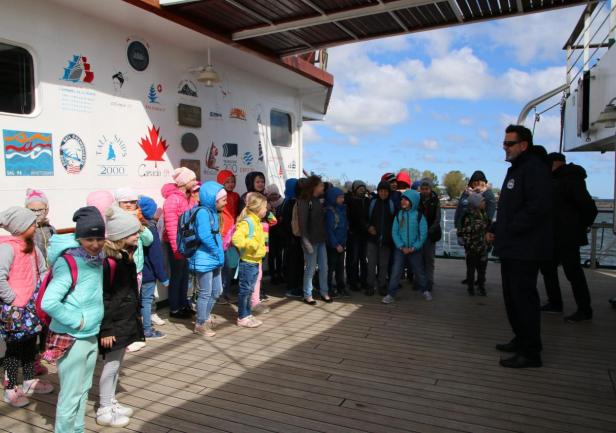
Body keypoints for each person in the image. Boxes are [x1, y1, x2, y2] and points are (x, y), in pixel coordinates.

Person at [489, 124, 553, 369]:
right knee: (512, 297)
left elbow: (538, 207)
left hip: (525, 248)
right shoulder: (517, 169)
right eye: (504, 143)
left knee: (523, 299)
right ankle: (521, 339)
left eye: (509, 143)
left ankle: (531, 351)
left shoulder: (534, 169)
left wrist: (511, 228)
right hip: (512, 246)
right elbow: (508, 208)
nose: (504, 147)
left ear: (523, 145)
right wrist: (496, 228)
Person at [42, 206, 106, 431]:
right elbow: (49, 302)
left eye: (100, 238)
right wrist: (77, 321)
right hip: (72, 336)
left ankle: (77, 428)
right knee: (70, 394)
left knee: (83, 389)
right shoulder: (68, 262)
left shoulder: (97, 258)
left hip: (90, 333)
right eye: (89, 239)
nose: (95, 244)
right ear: (79, 238)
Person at [0, 207, 53, 407]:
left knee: (31, 343)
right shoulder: (7, 249)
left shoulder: (32, 246)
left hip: (31, 307)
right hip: (14, 309)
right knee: (14, 348)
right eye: (31, 223)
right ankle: (10, 387)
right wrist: (13, 298)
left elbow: (42, 270)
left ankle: (29, 381)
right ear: (20, 227)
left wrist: (41, 292)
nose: (35, 225)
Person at [96, 207, 144, 427]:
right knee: (112, 365)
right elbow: (104, 298)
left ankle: (111, 401)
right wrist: (106, 329)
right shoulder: (110, 263)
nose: (138, 235)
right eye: (134, 232)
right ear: (121, 236)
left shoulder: (125, 257)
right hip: (114, 324)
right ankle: (104, 408)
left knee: (117, 364)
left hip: (125, 320)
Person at [541, 152, 598, 322]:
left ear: (555, 163)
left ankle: (584, 309)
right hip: (554, 234)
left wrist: (579, 226)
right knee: (548, 268)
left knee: (573, 272)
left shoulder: (571, 180)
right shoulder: (558, 181)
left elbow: (589, 207)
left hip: (567, 236)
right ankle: (555, 303)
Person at [188, 181, 226, 337]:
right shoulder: (203, 213)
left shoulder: (212, 212)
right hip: (204, 258)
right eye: (223, 200)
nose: (226, 202)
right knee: (205, 292)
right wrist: (217, 251)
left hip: (213, 258)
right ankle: (200, 323)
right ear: (212, 199)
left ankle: (204, 316)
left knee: (217, 291)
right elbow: (204, 236)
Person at [161, 167, 197, 319]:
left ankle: (184, 304)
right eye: (192, 179)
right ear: (184, 182)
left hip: (185, 243)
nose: (195, 182)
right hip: (175, 244)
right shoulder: (172, 199)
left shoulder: (186, 197)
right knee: (177, 276)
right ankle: (174, 308)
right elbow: (171, 226)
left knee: (184, 275)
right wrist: (176, 248)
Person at [382, 190, 428, 304]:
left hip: (415, 249)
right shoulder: (399, 215)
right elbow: (394, 232)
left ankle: (425, 290)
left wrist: (414, 247)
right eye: (402, 199)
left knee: (419, 271)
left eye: (406, 199)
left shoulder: (419, 216)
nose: (402, 201)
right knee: (396, 271)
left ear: (413, 201)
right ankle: (391, 294)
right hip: (400, 249)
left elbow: (423, 234)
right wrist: (401, 246)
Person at [232, 193, 267, 328]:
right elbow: (236, 239)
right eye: (264, 207)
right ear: (257, 208)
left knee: (249, 290)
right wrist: (252, 245)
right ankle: (242, 317)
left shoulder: (256, 221)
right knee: (245, 291)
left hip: (255, 261)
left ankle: (247, 314)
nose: (266, 209)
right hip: (248, 262)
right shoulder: (248, 222)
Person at [137, 196, 169, 340]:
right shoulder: (150, 229)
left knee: (139, 300)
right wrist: (163, 276)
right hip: (148, 272)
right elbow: (156, 255)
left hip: (136, 271)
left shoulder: (134, 227)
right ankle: (147, 330)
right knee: (146, 301)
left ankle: (139, 328)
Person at [298, 176, 331, 304]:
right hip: (310, 241)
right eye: (321, 185)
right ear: (314, 186)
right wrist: (306, 242)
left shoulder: (318, 200)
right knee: (310, 269)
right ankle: (307, 294)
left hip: (321, 240)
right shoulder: (304, 201)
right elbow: (302, 224)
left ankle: (324, 292)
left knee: (324, 267)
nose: (323, 187)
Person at [366, 181, 395, 296]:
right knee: (371, 264)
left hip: (386, 241)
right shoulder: (372, 202)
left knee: (383, 265)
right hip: (372, 239)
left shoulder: (391, 204)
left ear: (389, 192)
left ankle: (382, 285)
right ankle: (370, 285)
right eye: (381, 191)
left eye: (385, 191)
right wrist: (368, 227)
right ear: (378, 191)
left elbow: (395, 222)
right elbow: (365, 218)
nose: (383, 193)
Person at [460, 193, 491, 296]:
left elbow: (488, 229)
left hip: (483, 247)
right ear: (476, 204)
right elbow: (465, 232)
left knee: (482, 270)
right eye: (482, 201)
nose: (484, 203)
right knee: (471, 269)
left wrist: (489, 242)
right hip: (472, 248)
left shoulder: (484, 214)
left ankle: (481, 286)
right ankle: (471, 287)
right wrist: (467, 245)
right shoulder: (469, 216)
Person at [217, 170, 240, 304]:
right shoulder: (218, 195)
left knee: (231, 265)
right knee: (222, 266)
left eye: (233, 181)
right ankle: (220, 294)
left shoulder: (236, 196)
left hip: (233, 235)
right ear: (221, 182)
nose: (231, 184)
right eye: (227, 182)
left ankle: (226, 292)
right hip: (222, 235)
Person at [280, 179, 304, 298]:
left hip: (290, 238)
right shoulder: (292, 202)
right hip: (294, 239)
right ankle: (292, 288)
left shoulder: (286, 201)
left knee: (294, 262)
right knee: (294, 263)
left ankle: (294, 286)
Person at [346, 180, 370, 292]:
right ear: (355, 190)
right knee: (354, 259)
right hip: (354, 234)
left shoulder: (367, 201)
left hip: (365, 234)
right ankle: (353, 282)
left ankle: (364, 281)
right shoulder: (350, 201)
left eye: (363, 188)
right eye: (360, 188)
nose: (362, 190)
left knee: (363, 259)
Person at [418, 178, 441, 296]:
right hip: (419, 234)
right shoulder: (417, 200)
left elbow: (437, 218)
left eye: (426, 189)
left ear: (430, 189)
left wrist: (429, 230)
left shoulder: (435, 201)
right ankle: (419, 281)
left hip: (430, 234)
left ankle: (429, 282)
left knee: (429, 259)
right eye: (422, 189)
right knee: (419, 259)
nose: (424, 191)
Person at [325, 187, 348, 298]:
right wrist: (336, 244)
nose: (342, 199)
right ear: (333, 198)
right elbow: (329, 230)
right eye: (340, 197)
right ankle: (328, 288)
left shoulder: (342, 209)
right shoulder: (330, 212)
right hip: (333, 246)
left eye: (343, 197)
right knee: (330, 268)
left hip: (341, 244)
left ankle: (340, 286)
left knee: (340, 267)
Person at [25, 189, 56, 264]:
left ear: (46, 209)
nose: (37, 214)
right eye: (32, 210)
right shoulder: (24, 230)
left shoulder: (51, 229)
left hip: (50, 268)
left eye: (40, 210)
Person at [265, 184, 284, 286]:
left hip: (279, 233)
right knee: (271, 256)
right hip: (269, 233)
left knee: (279, 255)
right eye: (271, 194)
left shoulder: (282, 202)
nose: (274, 196)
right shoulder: (266, 204)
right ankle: (273, 275)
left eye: (275, 194)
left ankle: (280, 274)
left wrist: (280, 219)